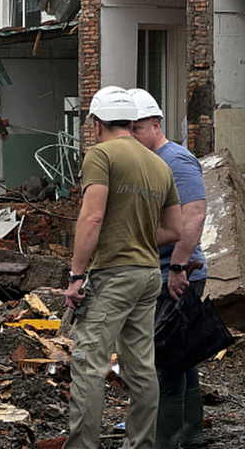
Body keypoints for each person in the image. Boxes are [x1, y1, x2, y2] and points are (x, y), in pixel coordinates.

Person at [64, 86, 182, 449]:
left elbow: (93, 216)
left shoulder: (101, 156)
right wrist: (138, 237)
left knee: (88, 363)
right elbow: (174, 228)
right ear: (131, 122)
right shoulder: (158, 163)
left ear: (97, 124)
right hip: (148, 275)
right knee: (142, 367)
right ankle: (142, 444)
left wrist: (76, 274)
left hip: (112, 274)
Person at [129, 88, 209, 449]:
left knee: (164, 358)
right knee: (181, 355)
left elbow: (194, 214)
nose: (131, 135)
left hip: (178, 274)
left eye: (137, 128)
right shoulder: (143, 162)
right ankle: (191, 432)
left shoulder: (176, 160)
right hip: (160, 272)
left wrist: (177, 267)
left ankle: (166, 438)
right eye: (126, 128)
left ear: (156, 124)